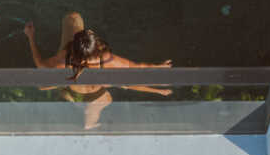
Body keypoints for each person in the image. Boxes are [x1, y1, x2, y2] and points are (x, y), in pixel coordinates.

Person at [23, 12, 171, 128]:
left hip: (73, 93)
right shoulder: (105, 59)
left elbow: (41, 65)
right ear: (97, 46)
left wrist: (31, 37)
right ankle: (90, 123)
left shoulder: (65, 59)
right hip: (98, 96)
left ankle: (84, 117)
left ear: (74, 47)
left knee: (72, 17)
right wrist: (158, 67)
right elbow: (136, 68)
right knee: (101, 100)